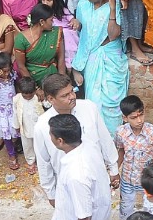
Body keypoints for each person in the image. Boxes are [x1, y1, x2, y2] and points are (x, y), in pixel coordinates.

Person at [33, 74, 118, 210]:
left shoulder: (89, 108)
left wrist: (113, 168)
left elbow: (104, 139)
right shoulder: (42, 126)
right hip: (68, 186)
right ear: (50, 99)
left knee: (101, 219)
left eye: (72, 91)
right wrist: (51, 193)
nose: (72, 96)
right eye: (65, 95)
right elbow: (44, 162)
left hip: (97, 177)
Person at [71, 0, 129, 133]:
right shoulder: (83, 4)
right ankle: (96, 135)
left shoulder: (115, 5)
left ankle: (113, 136)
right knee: (94, 101)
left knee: (112, 101)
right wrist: (77, 22)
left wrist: (111, 9)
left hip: (110, 56)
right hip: (92, 57)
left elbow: (113, 35)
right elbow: (85, 31)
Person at [115, 95, 153, 219]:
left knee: (150, 210)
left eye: (141, 114)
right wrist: (114, 171)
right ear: (125, 117)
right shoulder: (120, 132)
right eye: (134, 117)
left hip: (148, 179)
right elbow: (121, 151)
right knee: (127, 210)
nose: (139, 120)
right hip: (128, 179)